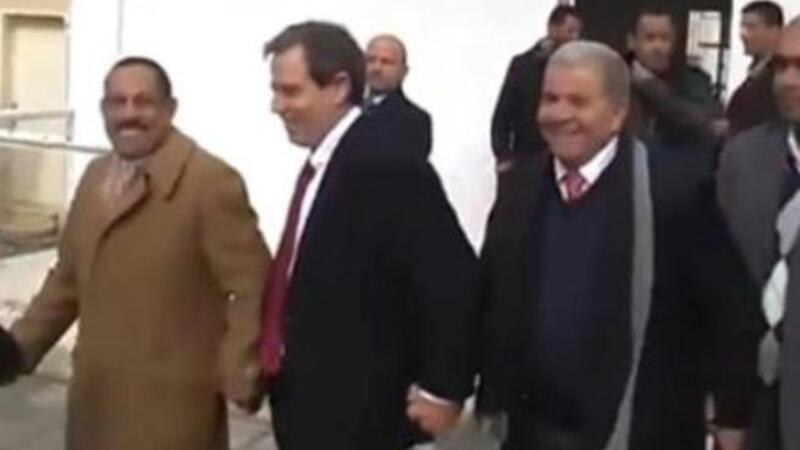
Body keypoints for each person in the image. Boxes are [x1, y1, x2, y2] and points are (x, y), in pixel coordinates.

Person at [478, 40, 758, 450]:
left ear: (617, 114)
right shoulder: (521, 186)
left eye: (578, 101)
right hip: (533, 431)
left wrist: (731, 414)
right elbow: (490, 292)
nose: (559, 114)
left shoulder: (671, 190)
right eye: (550, 99)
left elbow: (730, 306)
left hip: (640, 429)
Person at [5, 57, 270, 450]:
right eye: (118, 102)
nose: (129, 114)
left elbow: (254, 285)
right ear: (103, 109)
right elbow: (67, 281)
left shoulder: (210, 182)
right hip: (94, 405)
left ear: (170, 109)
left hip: (173, 416)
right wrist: (17, 349)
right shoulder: (95, 177)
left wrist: (238, 368)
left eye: (143, 102)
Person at [260, 21, 480, 450]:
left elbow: (451, 279)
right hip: (312, 405)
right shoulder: (327, 162)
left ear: (339, 87)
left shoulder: (387, 164)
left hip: (363, 416)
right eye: (275, 91)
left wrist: (443, 388)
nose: (276, 106)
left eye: (291, 91)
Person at [718, 16, 800, 450]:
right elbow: (724, 288)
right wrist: (724, 407)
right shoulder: (741, 160)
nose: (788, 81)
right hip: (750, 404)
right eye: (781, 66)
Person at [490, 5, 582, 166]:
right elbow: (503, 115)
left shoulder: (578, 69)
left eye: (577, 32)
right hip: (527, 156)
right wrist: (503, 156)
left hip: (564, 159)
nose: (574, 38)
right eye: (570, 31)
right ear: (552, 28)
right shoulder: (523, 66)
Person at [627, 6, 724, 148]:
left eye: (665, 39)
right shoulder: (615, 78)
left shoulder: (695, 81)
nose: (657, 47)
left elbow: (706, 123)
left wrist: (651, 87)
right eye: (649, 38)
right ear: (632, 41)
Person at [362, 34, 432, 159]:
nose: (377, 68)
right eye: (371, 60)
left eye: (386, 62)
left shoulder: (414, 120)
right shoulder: (346, 109)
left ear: (403, 71)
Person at [725, 1, 784, 138]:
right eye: (742, 26)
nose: (743, 34)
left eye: (751, 27)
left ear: (775, 31)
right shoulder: (756, 74)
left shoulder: (777, 79)